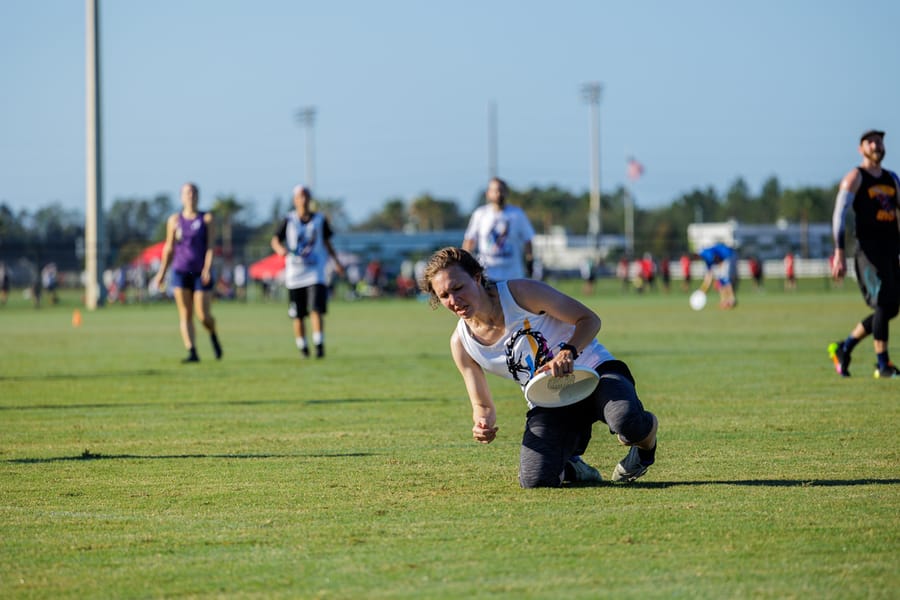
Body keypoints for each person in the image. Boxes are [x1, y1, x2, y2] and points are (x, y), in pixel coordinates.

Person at [419, 247, 659, 488]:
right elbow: (482, 405)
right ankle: (574, 467)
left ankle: (644, 450)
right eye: (444, 295)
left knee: (626, 421)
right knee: (535, 480)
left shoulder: (521, 293)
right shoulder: (461, 343)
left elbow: (589, 320)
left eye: (458, 288)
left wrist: (568, 351)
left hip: (595, 372)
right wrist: (482, 423)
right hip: (550, 400)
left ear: (477, 278)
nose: (453, 300)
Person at [828, 129, 900, 379]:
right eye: (871, 142)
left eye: (880, 141)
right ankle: (883, 365)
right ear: (861, 149)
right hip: (868, 252)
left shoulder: (892, 179)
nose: (876, 145)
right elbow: (840, 214)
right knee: (882, 303)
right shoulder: (854, 178)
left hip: (891, 249)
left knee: (891, 308)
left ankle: (844, 348)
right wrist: (838, 251)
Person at [271, 185, 345, 358]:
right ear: (294, 200)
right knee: (298, 314)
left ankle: (319, 345)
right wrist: (279, 249)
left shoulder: (319, 220)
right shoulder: (288, 219)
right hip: (295, 274)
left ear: (310, 199)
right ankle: (303, 347)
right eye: (299, 197)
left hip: (315, 272)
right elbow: (275, 240)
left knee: (316, 310)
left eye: (305, 196)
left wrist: (337, 262)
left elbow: (327, 243)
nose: (303, 200)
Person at [154, 182, 223, 363]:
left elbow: (210, 246)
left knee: (203, 315)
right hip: (180, 270)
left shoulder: (206, 219)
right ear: (181, 197)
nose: (190, 196)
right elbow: (168, 248)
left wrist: (207, 268)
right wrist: (162, 272)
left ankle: (213, 334)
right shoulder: (174, 221)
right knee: (185, 313)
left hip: (201, 272)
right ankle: (192, 351)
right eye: (187, 193)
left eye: (193, 192)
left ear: (198, 196)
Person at [462, 177, 535, 281]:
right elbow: (470, 240)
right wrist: (464, 264)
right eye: (494, 191)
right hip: (487, 275)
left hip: (513, 275)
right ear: (488, 193)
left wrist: (530, 262)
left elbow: (528, 240)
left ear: (506, 193)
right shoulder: (480, 214)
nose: (498, 194)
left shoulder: (517, 214)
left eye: (501, 190)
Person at [697, 242, 738, 309]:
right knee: (721, 280)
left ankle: (731, 300)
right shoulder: (706, 258)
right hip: (725, 259)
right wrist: (703, 289)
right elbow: (709, 275)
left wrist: (720, 273)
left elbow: (718, 260)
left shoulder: (706, 254)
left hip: (729, 256)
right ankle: (725, 300)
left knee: (725, 280)